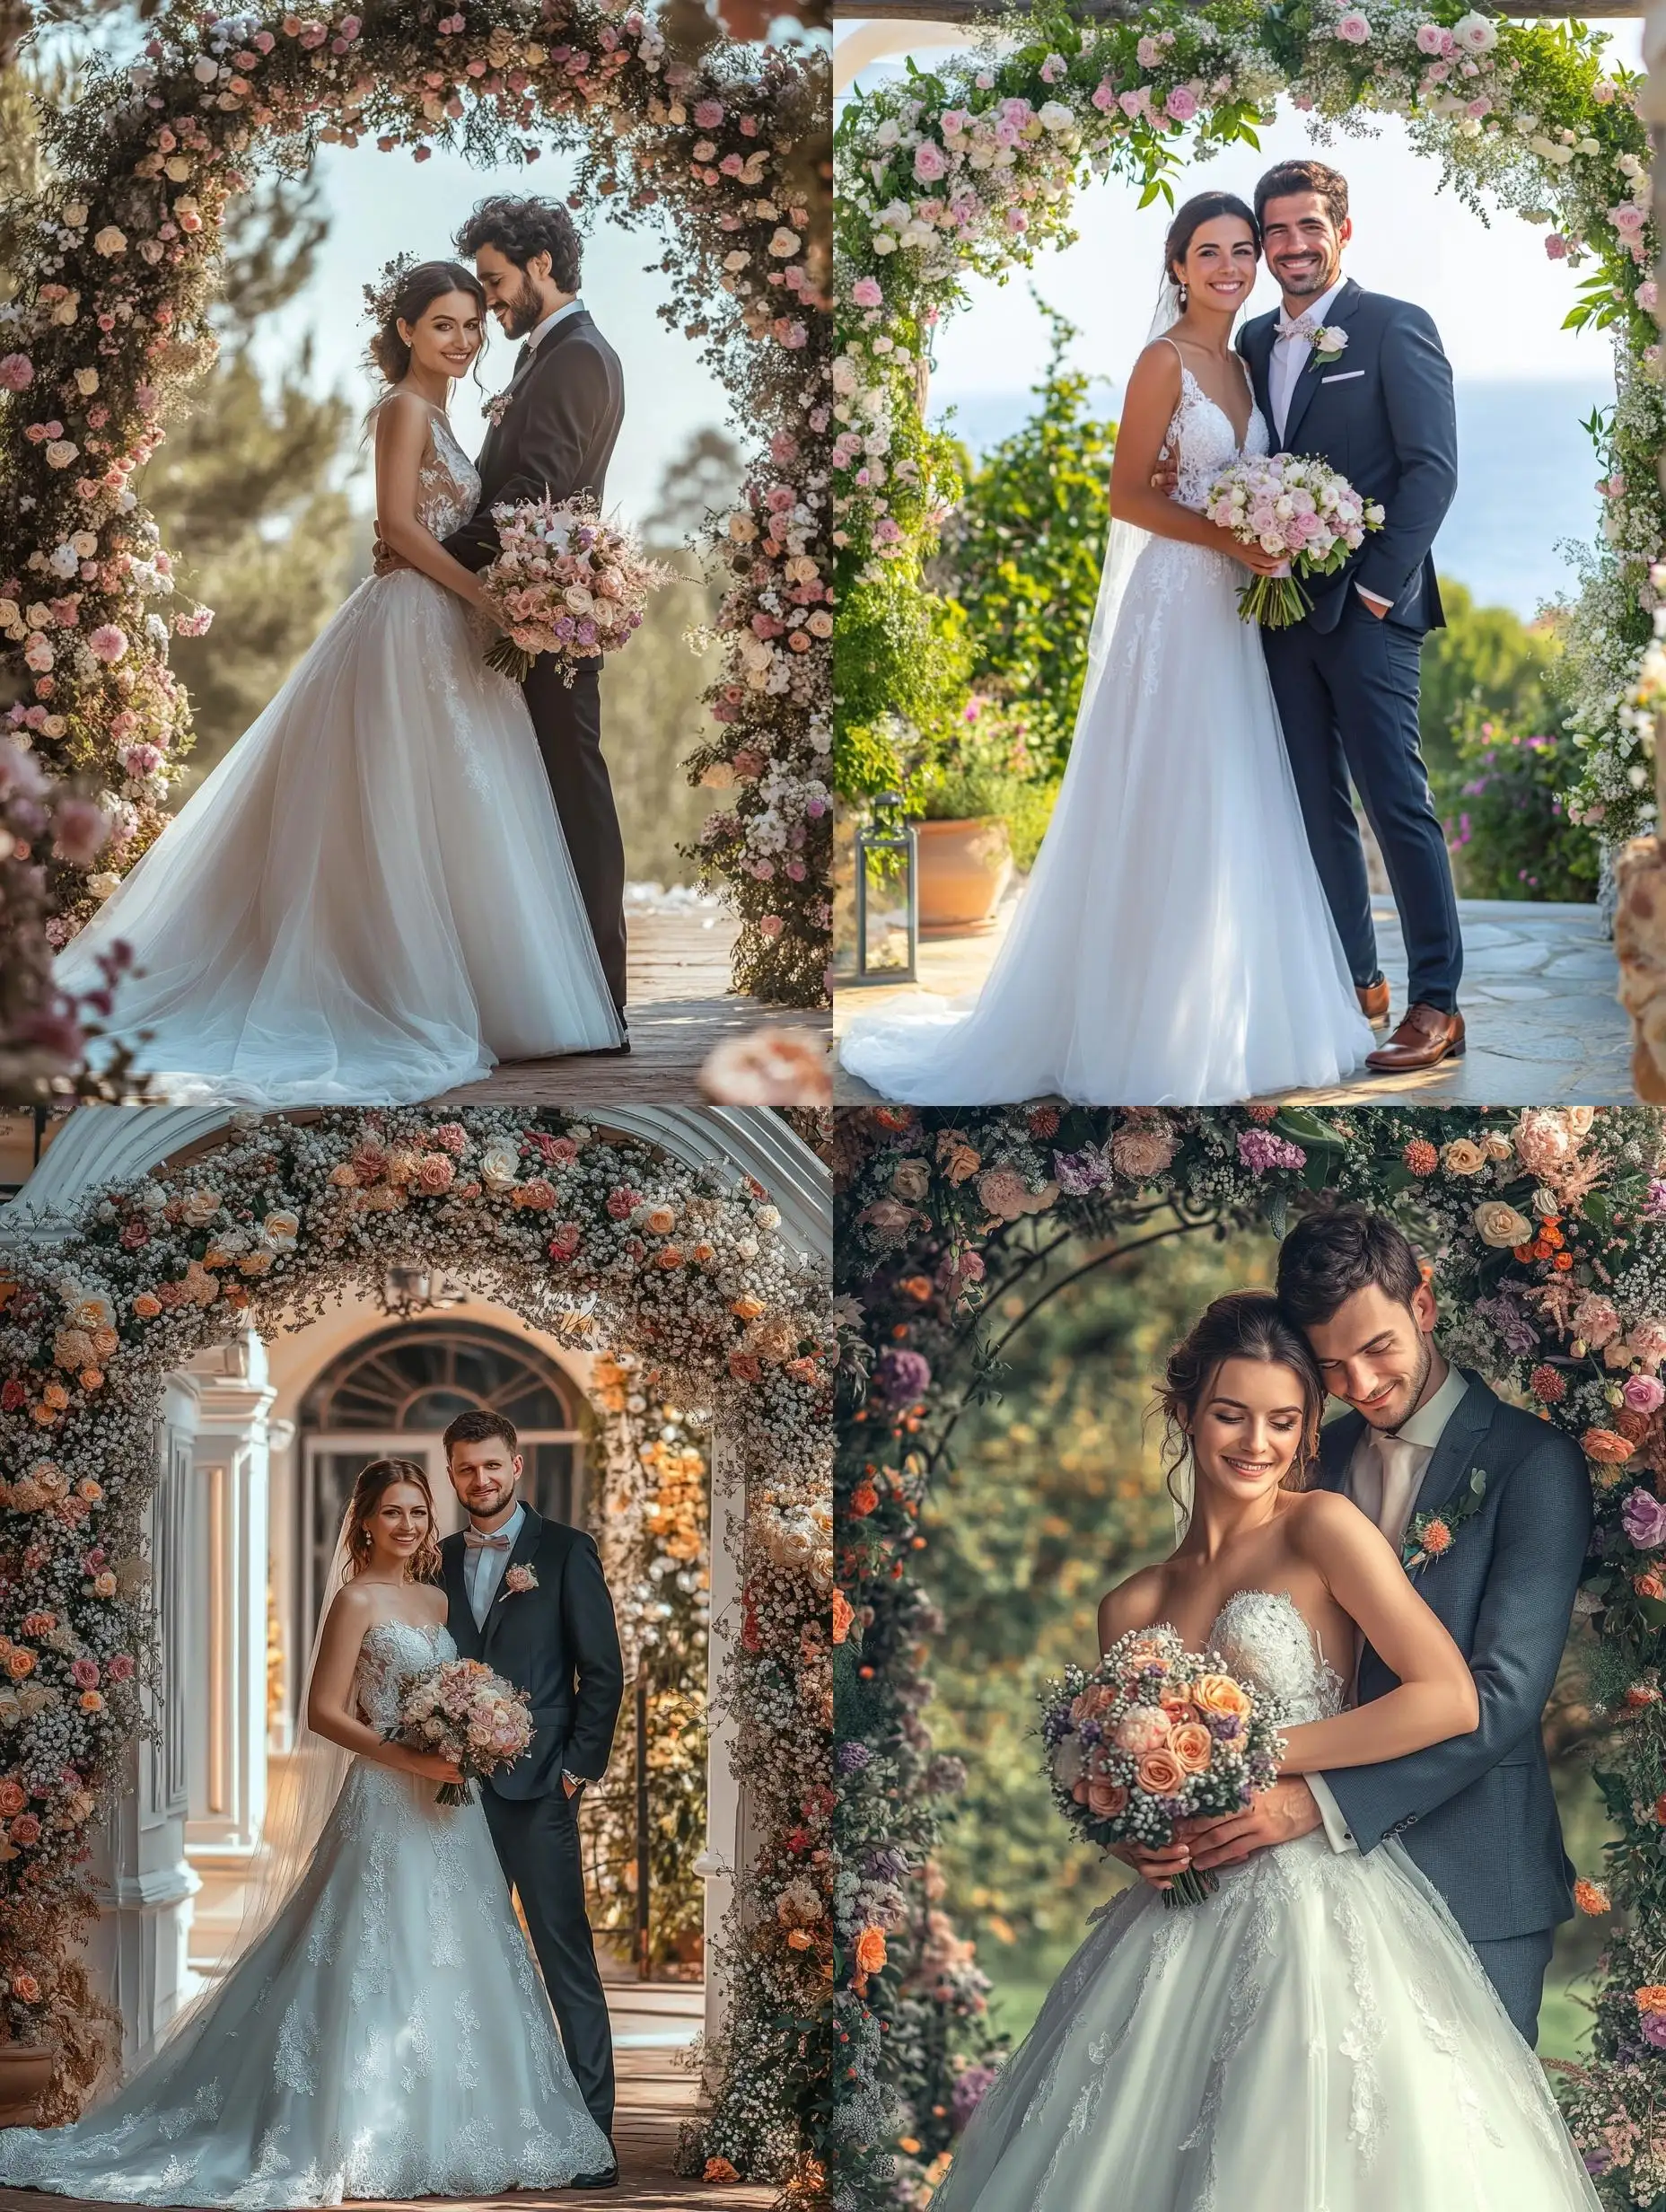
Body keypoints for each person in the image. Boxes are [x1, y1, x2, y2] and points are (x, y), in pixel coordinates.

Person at [926, 1294, 1599, 2211]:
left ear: (1307, 1428)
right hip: (1172, 1917)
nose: (1256, 1442)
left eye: (1283, 1420)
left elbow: (1443, 1696)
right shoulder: (1130, 1603)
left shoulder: (1319, 1527)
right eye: (1229, 1413)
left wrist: (1249, 1753)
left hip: (1315, 1902)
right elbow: (1109, 1776)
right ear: (1185, 1413)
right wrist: (1128, 1836)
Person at [838, 192, 1372, 1108]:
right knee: (1167, 795)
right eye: (1208, 251)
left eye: (1242, 250)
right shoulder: (1160, 361)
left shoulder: (1243, 361)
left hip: (1234, 610)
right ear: (1175, 265)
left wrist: (1270, 528)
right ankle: (1142, 1025)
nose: (1230, 267)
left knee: (1234, 796)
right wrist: (1233, 538)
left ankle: (1229, 1015)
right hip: (1174, 605)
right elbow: (1129, 496)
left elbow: (1236, 476)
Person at [55, 259, 624, 1105]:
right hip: (411, 623)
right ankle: (391, 984)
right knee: (402, 800)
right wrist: (487, 595)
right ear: (406, 332)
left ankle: (483, 992)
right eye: (444, 325)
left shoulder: (442, 413)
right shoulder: (402, 408)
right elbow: (394, 523)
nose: (464, 340)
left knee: (456, 807)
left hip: (447, 626)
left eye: (473, 323)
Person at [0, 1459, 615, 2207]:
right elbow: (325, 1712)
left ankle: (459, 2124)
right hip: (388, 1799)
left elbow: (462, 1686)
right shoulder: (355, 1600)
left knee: (460, 1957)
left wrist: (472, 1736)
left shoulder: (433, 1595)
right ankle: (338, 2127)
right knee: (368, 1951)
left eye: (418, 1512)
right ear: (364, 1521)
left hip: (450, 1808)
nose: (409, 1525)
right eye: (392, 1512)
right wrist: (413, 1757)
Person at [1171, 1204, 1591, 2042]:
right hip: (1307, 1896)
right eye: (1331, 1366)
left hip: (1476, 1877)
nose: (1360, 1385)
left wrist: (1319, 1801)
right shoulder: (1304, 1449)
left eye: (1378, 1350)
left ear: (1423, 1307)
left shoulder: (1532, 1464)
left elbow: (1503, 1697)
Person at [1239, 160, 1464, 1072]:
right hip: (1280, 613)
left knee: (1395, 802)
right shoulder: (1250, 341)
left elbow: (1431, 470)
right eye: (1275, 232)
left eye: (1308, 227)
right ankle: (1355, 983)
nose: (1291, 246)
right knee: (1310, 806)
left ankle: (1435, 1002)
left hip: (1370, 612)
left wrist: (1376, 586)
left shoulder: (1393, 325)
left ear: (1342, 230)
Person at [419, 196, 630, 1037]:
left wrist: (425, 558)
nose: (489, 301)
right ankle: (560, 991)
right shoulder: (547, 353)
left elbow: (528, 492)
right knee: (544, 797)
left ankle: (600, 1001)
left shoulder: (577, 356)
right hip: (530, 609)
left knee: (575, 795)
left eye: (496, 281)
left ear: (542, 264)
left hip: (553, 620)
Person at [438, 1409, 625, 2188]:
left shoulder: (565, 1551)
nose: (479, 1480)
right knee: (457, 1961)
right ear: (451, 1475)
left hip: (537, 1787)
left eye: (491, 1465)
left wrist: (575, 1770)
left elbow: (603, 1671)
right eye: (464, 1468)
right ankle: (473, 2128)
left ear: (518, 1467)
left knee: (562, 1955)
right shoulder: (436, 1559)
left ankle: (593, 2138)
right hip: (447, 1796)